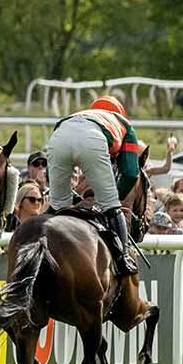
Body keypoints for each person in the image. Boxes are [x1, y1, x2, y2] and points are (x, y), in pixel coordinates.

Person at [44, 95, 144, 275]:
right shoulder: (124, 125)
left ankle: (39, 243)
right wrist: (112, 198)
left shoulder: (77, 115)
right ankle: (123, 259)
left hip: (58, 135)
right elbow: (130, 173)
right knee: (112, 206)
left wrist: (69, 195)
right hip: (93, 139)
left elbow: (50, 176)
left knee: (58, 205)